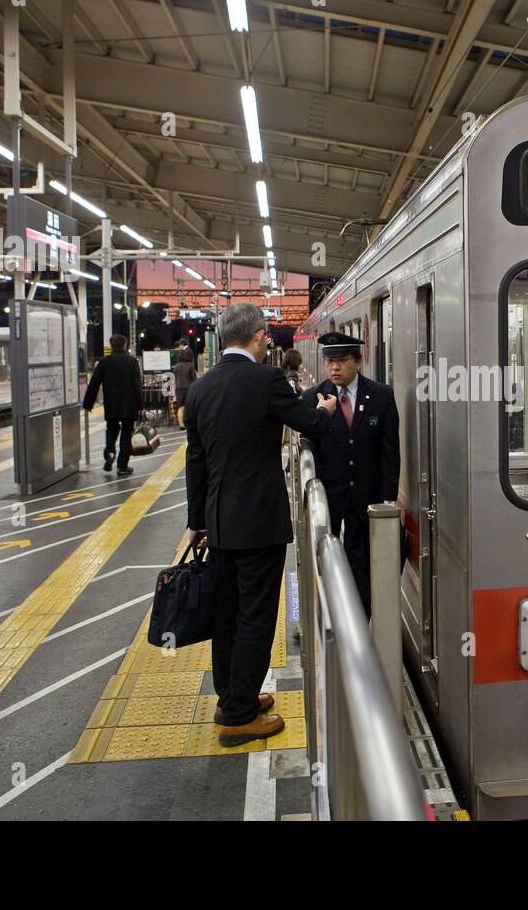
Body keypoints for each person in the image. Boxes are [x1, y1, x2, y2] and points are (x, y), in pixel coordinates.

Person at [184, 303, 337, 746]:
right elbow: (307, 422)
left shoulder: (201, 388)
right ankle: (240, 715)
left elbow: (196, 462)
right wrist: (325, 408)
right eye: (265, 337)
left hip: (219, 520)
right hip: (257, 521)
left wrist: (198, 521)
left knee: (226, 613)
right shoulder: (266, 379)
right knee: (255, 614)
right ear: (257, 337)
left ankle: (230, 696)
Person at [299, 332, 399, 615]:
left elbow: (390, 452)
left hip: (366, 496)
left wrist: (388, 500)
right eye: (329, 361)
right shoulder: (312, 399)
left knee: (363, 564)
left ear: (358, 360)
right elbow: (309, 448)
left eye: (342, 361)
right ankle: (329, 615)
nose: (334, 368)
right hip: (329, 498)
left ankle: (362, 620)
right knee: (326, 561)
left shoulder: (381, 396)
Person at [83, 334, 144, 476]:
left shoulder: (104, 363)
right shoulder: (132, 361)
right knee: (126, 434)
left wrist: (88, 404)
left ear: (111, 346)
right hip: (129, 405)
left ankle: (109, 453)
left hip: (111, 404)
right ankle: (122, 466)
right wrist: (141, 406)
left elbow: (94, 384)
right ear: (125, 345)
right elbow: (137, 386)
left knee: (111, 430)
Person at [171, 347, 197, 429]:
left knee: (181, 407)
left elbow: (175, 378)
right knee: (190, 406)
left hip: (179, 389)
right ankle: (190, 423)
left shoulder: (176, 367)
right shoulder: (190, 365)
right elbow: (194, 378)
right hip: (189, 388)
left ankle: (181, 425)